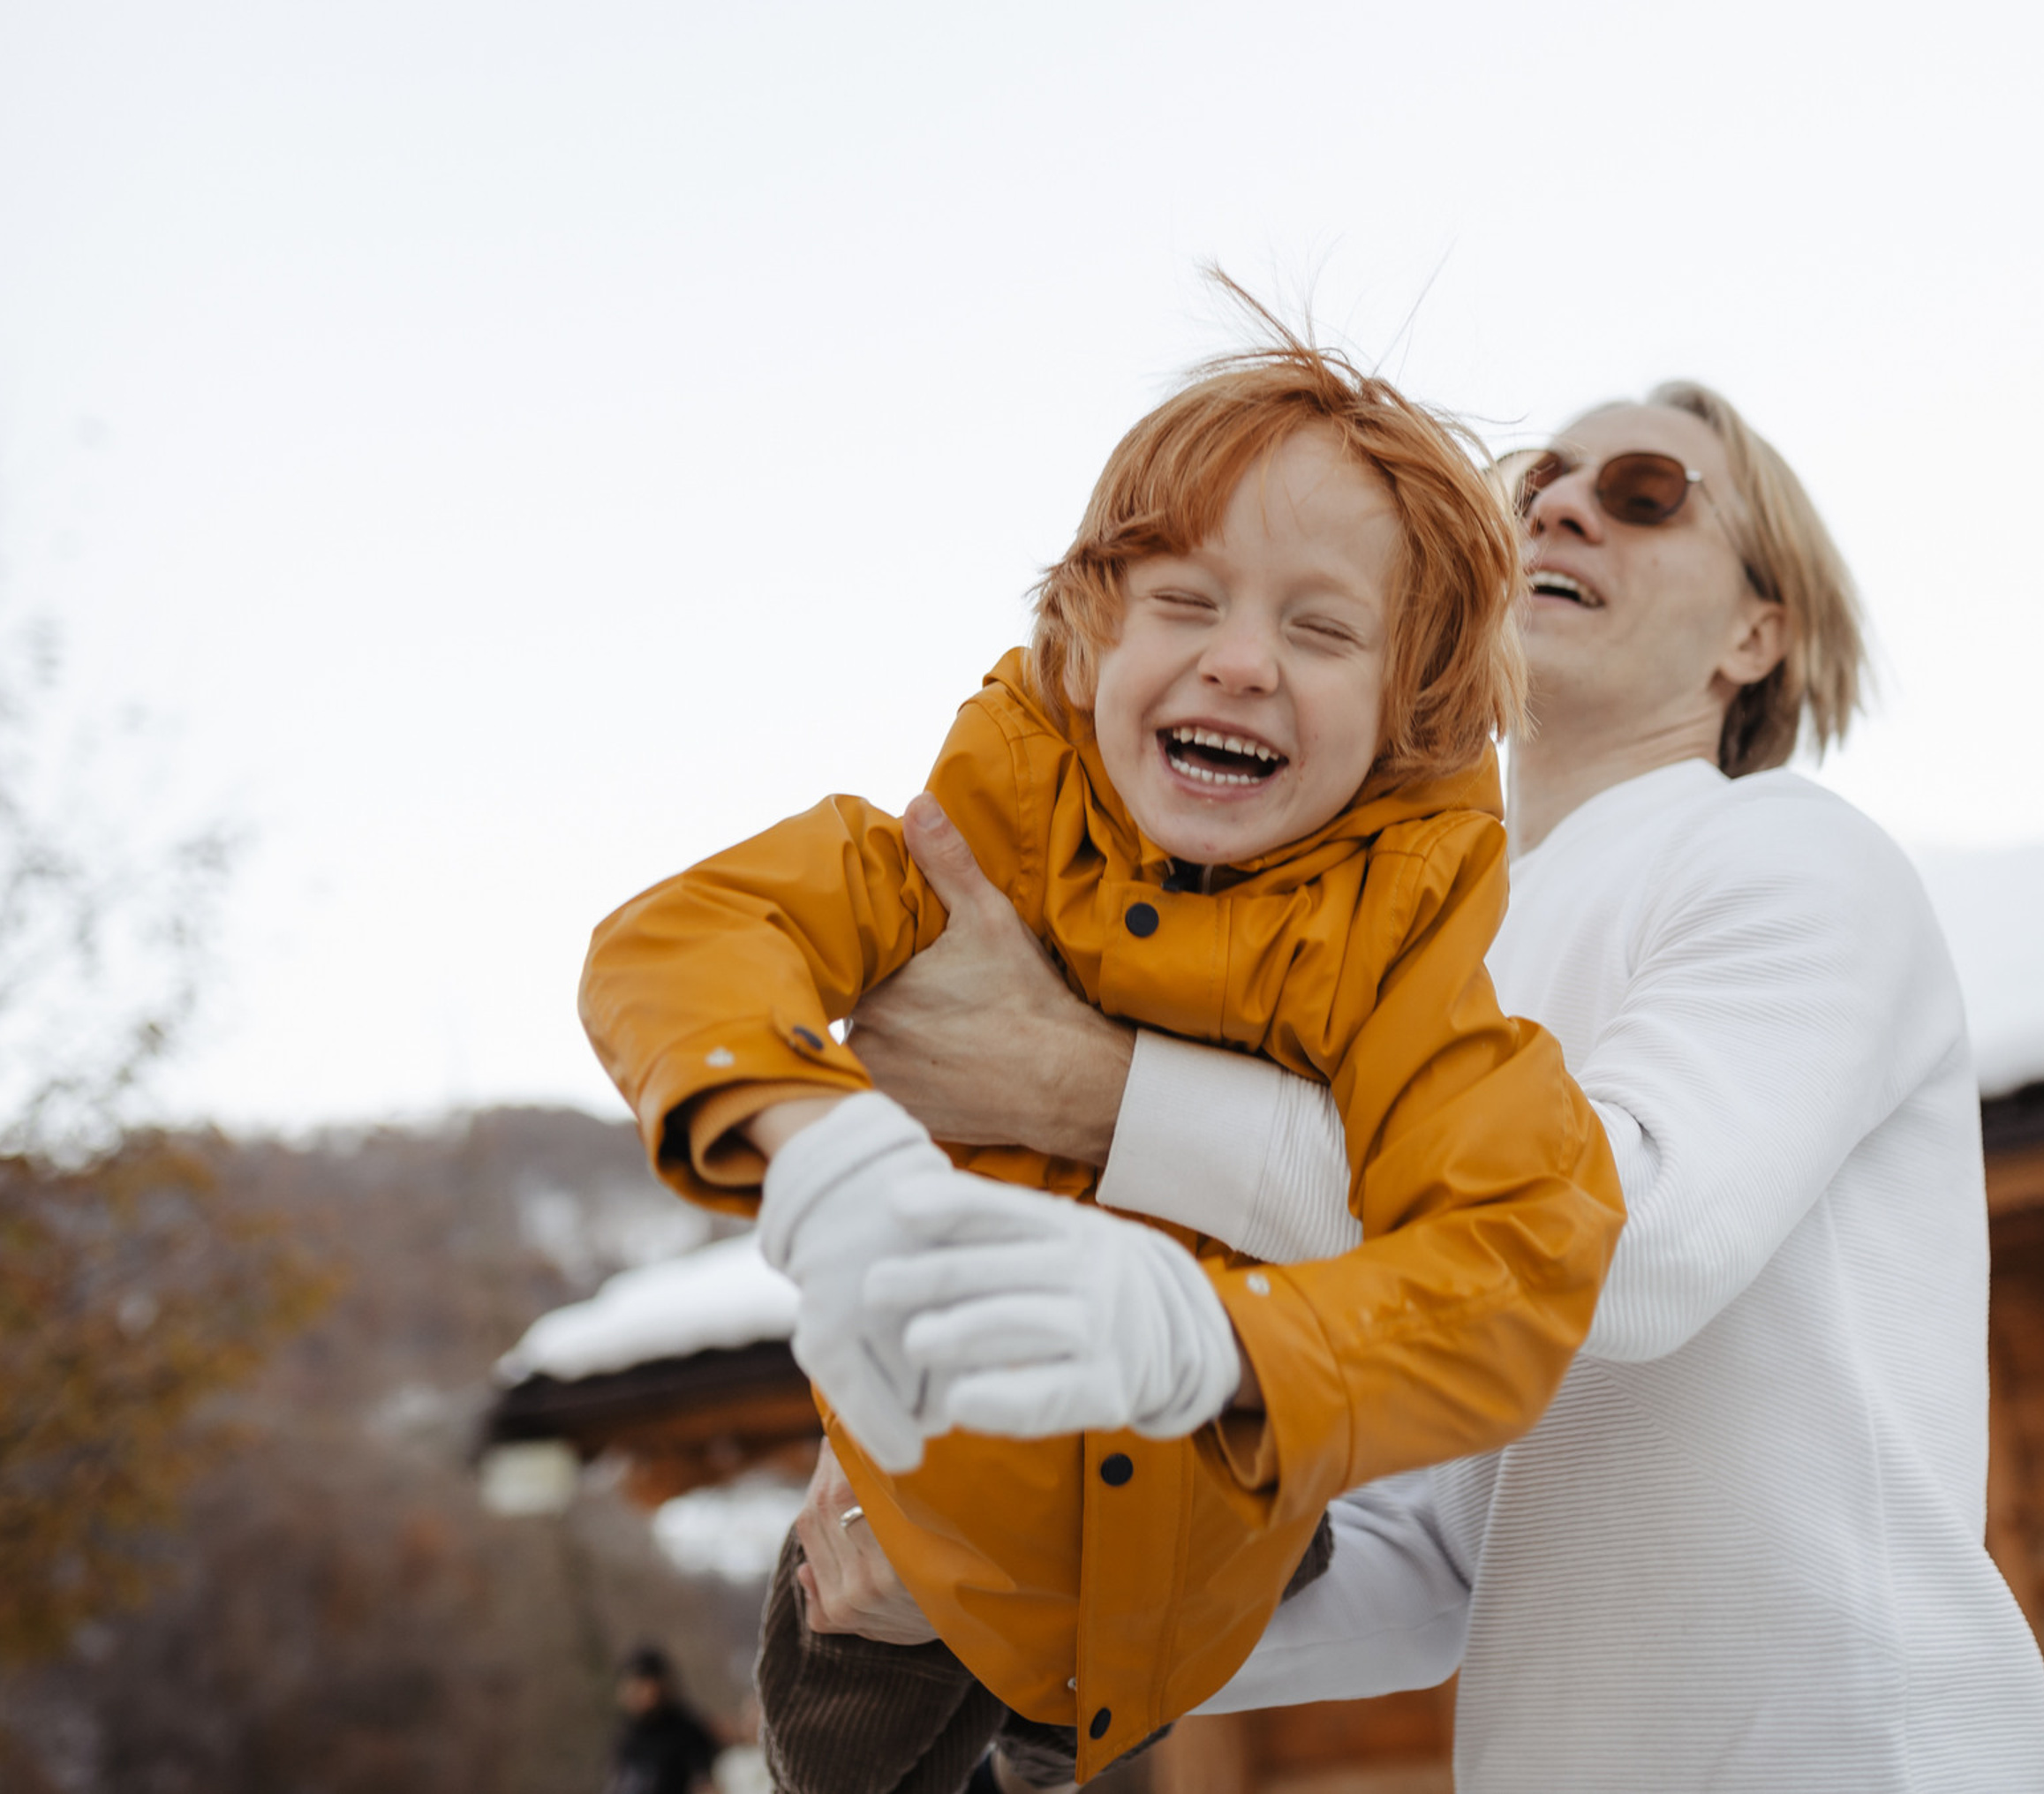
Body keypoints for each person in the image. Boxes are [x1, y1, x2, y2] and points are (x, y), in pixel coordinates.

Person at [800, 381, 2044, 1793]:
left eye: (1646, 489)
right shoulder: (1428, 971)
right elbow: (1427, 1563)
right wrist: (982, 1590)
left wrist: (1090, 1091)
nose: (1559, 505)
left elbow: (1630, 1250)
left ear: (1757, 634)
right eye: (1533, 481)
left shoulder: (1792, 853)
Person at [578, 324, 1622, 1790]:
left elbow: (1527, 1245)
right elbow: (688, 935)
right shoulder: (961, 858)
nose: (1244, 661)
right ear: (1088, 636)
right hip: (911, 1543)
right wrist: (818, 1149)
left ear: (1410, 709)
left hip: (1193, 1588)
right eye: (1186, 601)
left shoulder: (1397, 958)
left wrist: (1233, 1347)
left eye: (1323, 631)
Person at [606, 1647, 721, 1794]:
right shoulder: (626, 1735)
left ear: (660, 1685)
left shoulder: (687, 1732)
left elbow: (704, 1782)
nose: (633, 1692)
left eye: (641, 1685)